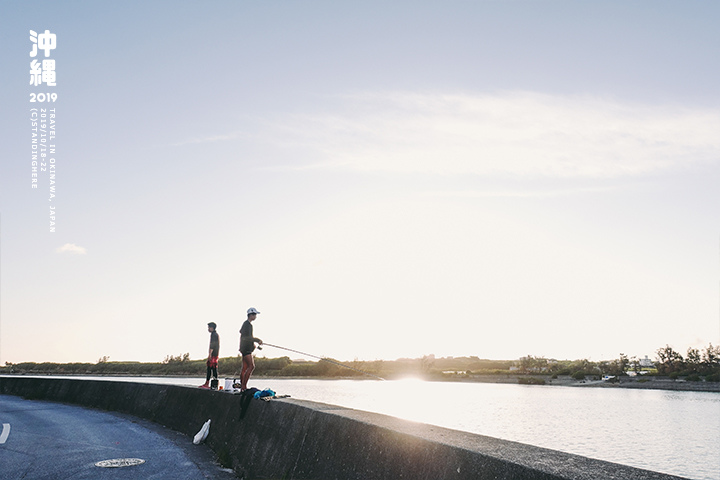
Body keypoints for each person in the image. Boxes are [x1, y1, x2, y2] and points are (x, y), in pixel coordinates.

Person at [239, 307, 262, 391]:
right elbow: (248, 337)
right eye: (255, 315)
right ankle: (244, 386)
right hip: (246, 349)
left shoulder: (245, 324)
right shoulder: (248, 325)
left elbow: (243, 335)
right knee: (251, 366)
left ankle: (242, 387)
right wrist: (257, 340)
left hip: (244, 348)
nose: (255, 316)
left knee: (245, 368)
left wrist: (253, 344)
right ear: (250, 315)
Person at [200, 322, 220, 389]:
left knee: (210, 368)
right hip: (216, 354)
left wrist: (210, 354)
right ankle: (215, 383)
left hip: (213, 354)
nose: (208, 329)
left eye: (209, 327)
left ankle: (207, 383)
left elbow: (212, 345)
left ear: (212, 328)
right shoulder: (216, 334)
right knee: (214, 369)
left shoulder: (213, 335)